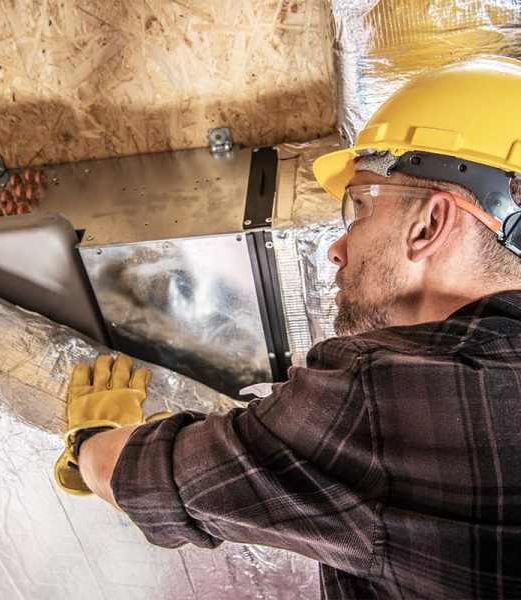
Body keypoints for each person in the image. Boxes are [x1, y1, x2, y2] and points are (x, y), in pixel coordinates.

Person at [54, 56, 521, 598]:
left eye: (360, 207)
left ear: (429, 223)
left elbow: (141, 476)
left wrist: (88, 438)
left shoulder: (383, 393)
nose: (337, 249)